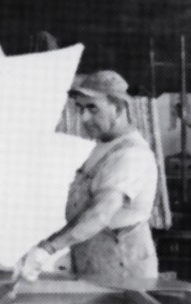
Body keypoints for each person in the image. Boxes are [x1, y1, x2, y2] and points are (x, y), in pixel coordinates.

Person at [16, 70, 159, 282]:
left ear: (118, 107)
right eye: (80, 108)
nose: (84, 118)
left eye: (93, 108)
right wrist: (59, 249)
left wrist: (49, 247)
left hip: (123, 268)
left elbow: (100, 213)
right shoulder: (105, 145)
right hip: (97, 259)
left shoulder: (131, 155)